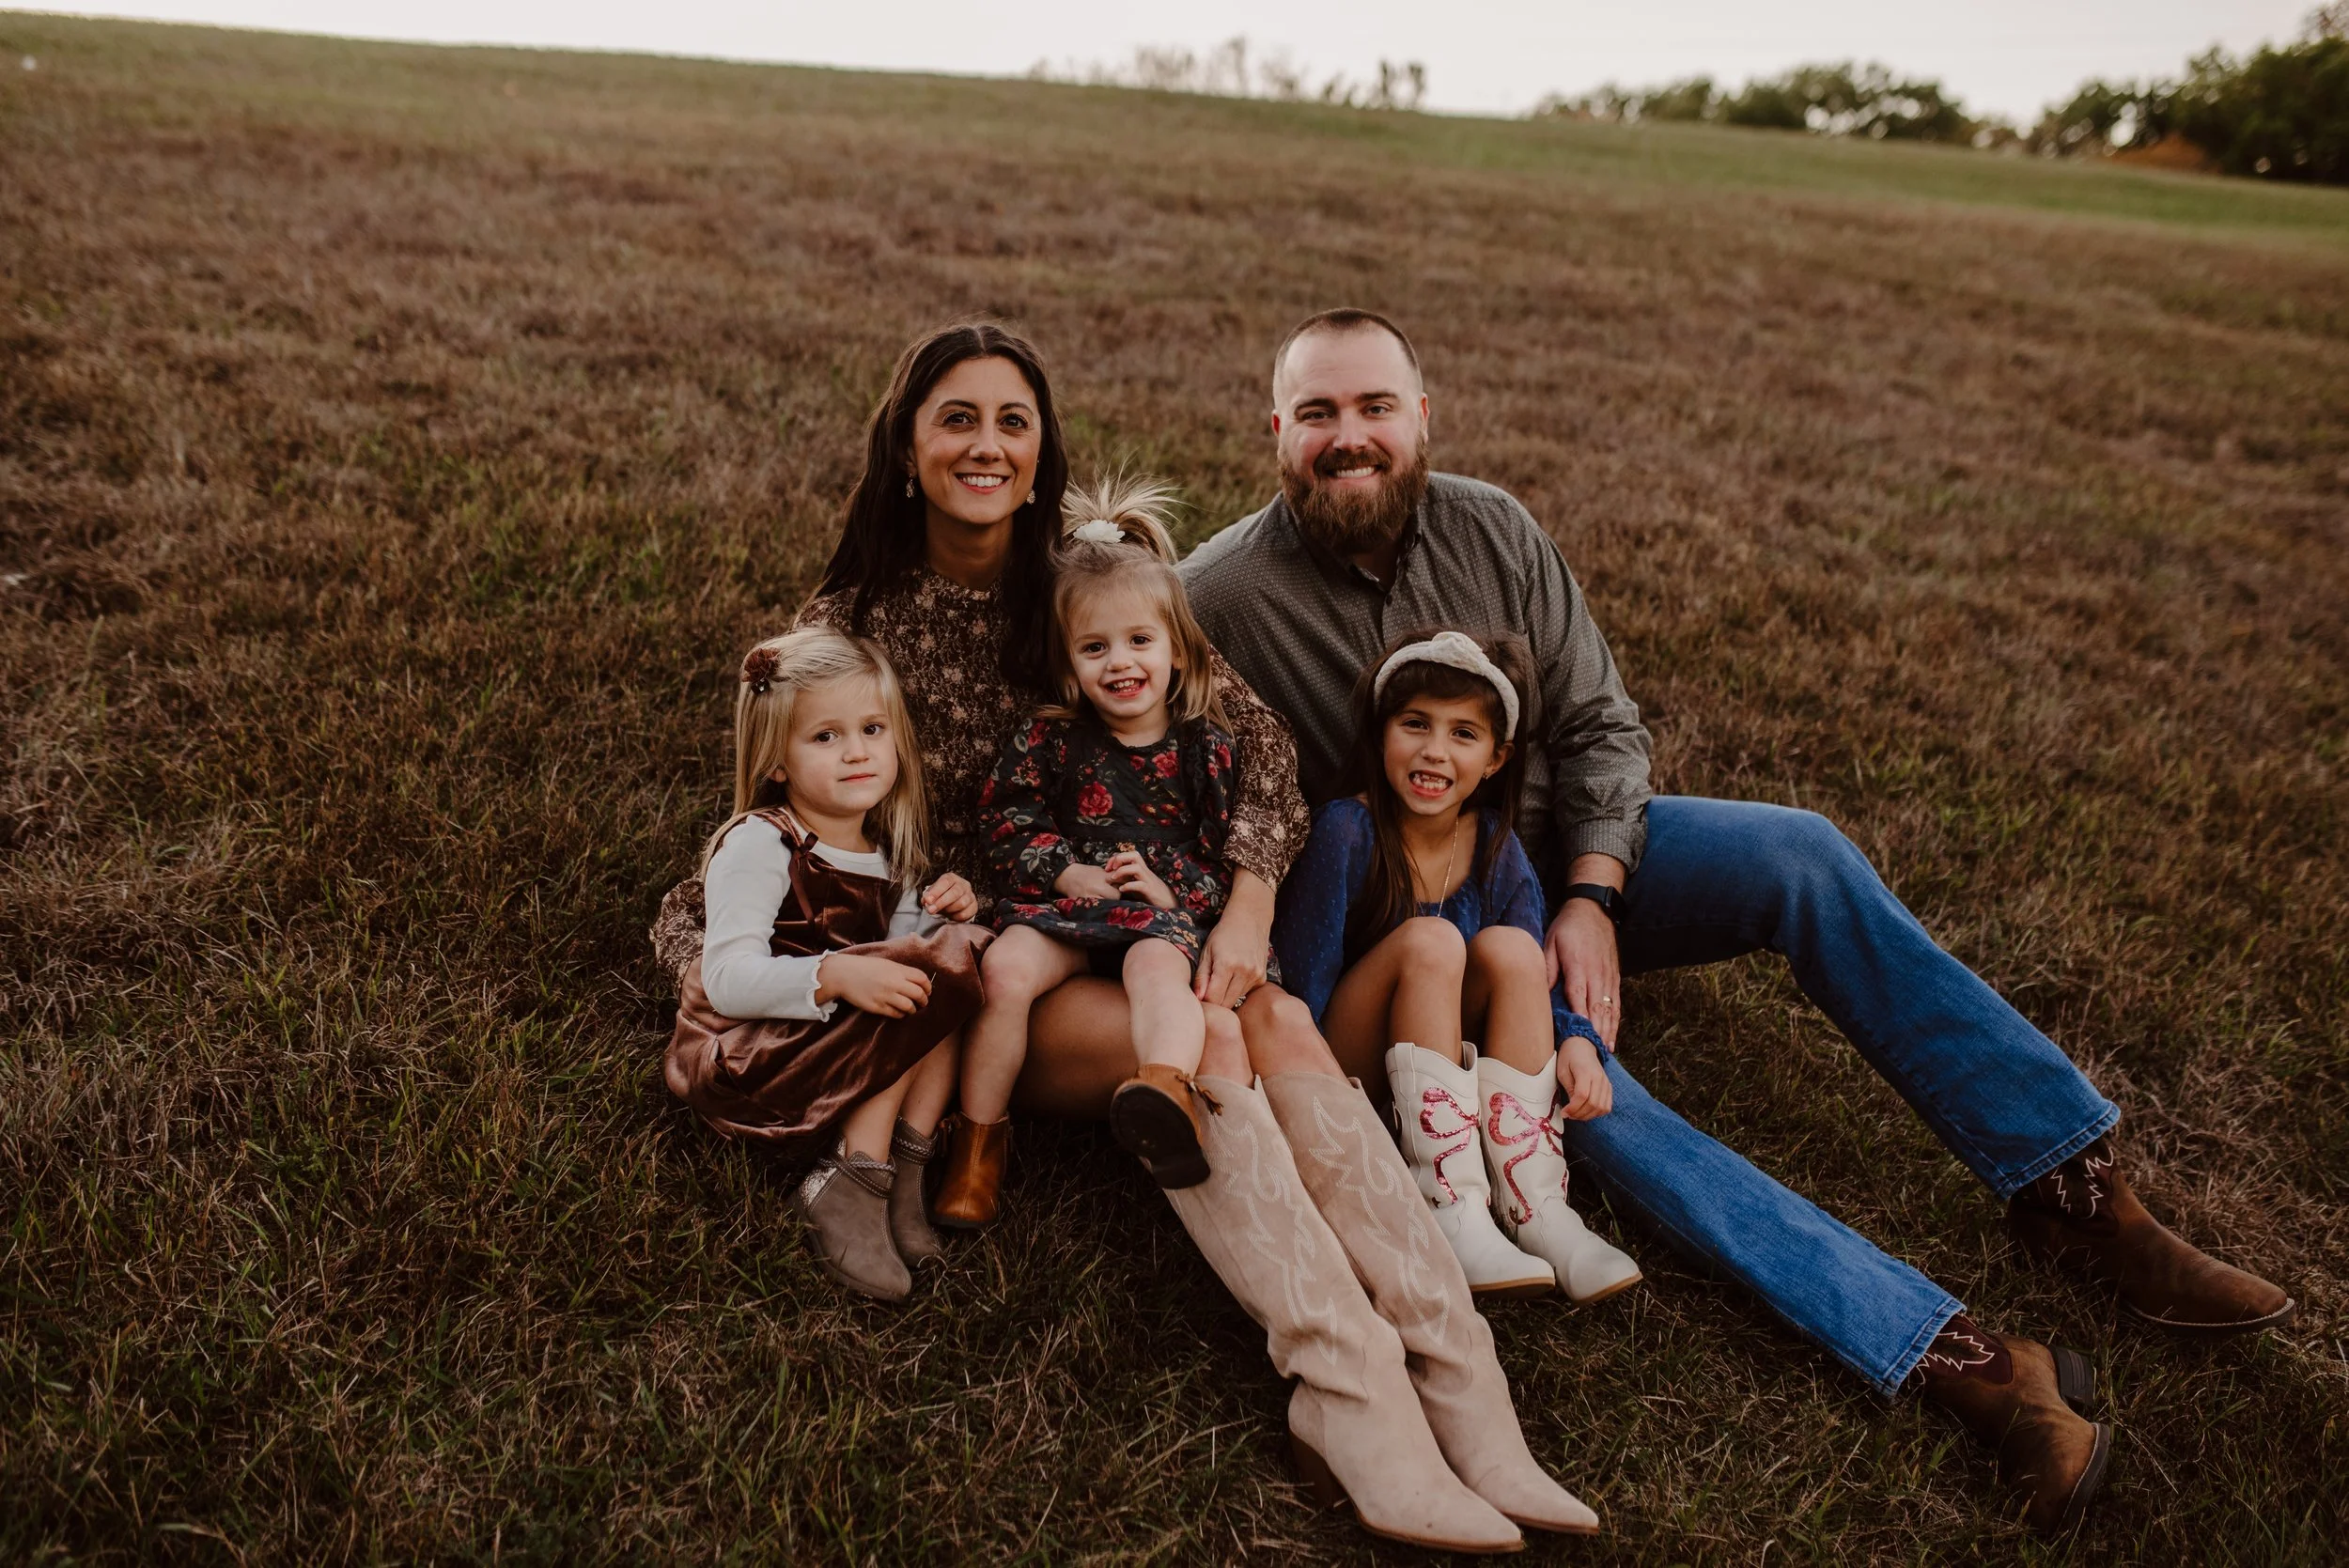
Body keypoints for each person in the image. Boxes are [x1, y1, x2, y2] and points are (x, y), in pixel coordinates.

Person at [1180, 306, 2296, 1535]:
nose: (1352, 437)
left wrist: (1598, 894)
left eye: (1375, 407)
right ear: (1276, 431)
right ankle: (1969, 1363)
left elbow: (1604, 723)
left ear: (1422, 417)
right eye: (1320, 414)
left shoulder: (1492, 526)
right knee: (1596, 1102)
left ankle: (2072, 1188)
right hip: (1436, 916)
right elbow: (1129, 725)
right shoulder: (1220, 596)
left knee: (1797, 852)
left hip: (1567, 852)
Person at [652, 321, 1595, 1551]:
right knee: (1212, 1029)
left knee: (1267, 1008)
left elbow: (1253, 744)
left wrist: (1250, 901)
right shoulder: (856, 619)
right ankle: (1350, 1388)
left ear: (1044, 456)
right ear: (905, 447)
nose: (987, 445)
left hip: (1146, 921)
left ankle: (1459, 1377)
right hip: (996, 961)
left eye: (1014, 422)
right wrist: (806, 973)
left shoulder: (1092, 583)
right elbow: (761, 834)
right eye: (957, 418)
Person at [1274, 629, 1642, 1305]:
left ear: (1497, 758)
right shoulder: (1345, 831)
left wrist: (1576, 1041)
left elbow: (1530, 975)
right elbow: (1297, 986)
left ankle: (1535, 1206)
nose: (1434, 751)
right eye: (1414, 724)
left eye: (1463, 734)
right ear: (1382, 730)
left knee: (1509, 949)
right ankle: (1447, 1201)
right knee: (1433, 941)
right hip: (1341, 1073)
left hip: (1445, 1075)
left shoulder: (1497, 848)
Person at [662, 628, 990, 1302]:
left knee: (957, 960)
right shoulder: (763, 841)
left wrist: (941, 918)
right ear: (776, 760)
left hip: (823, 1051)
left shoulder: (888, 859)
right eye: (825, 737)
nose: (857, 752)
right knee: (912, 983)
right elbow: (725, 979)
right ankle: (852, 1176)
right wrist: (836, 975)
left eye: (872, 728)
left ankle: (905, 1173)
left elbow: (909, 956)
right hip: (749, 1058)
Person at [957, 480, 1243, 1202]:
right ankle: (975, 1143)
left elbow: (1221, 860)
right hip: (1065, 909)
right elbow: (1005, 816)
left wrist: (1168, 890)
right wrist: (1062, 872)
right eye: (1095, 647)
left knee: (1159, 970)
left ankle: (1165, 1093)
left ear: (1178, 651)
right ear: (1069, 665)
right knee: (1008, 969)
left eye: (1139, 641)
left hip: (1149, 912)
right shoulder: (1050, 735)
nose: (1120, 662)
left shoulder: (1203, 748)